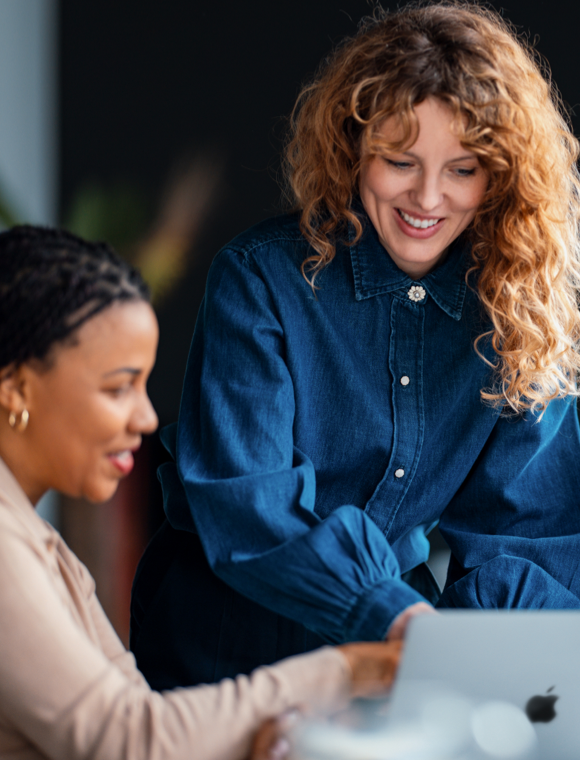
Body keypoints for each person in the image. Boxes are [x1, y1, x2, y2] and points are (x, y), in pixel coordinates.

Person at [130, 2, 580, 690]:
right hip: (225, 651)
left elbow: (532, 541)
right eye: (399, 161)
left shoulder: (516, 310)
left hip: (395, 666)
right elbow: (250, 507)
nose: (427, 196)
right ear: (353, 148)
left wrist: (479, 661)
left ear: (501, 177)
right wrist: (401, 621)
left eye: (463, 169)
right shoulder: (259, 278)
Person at [0, 225, 401, 760]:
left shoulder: (37, 543)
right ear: (16, 388)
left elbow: (140, 717)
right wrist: (348, 669)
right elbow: (127, 739)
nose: (146, 418)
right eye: (118, 387)